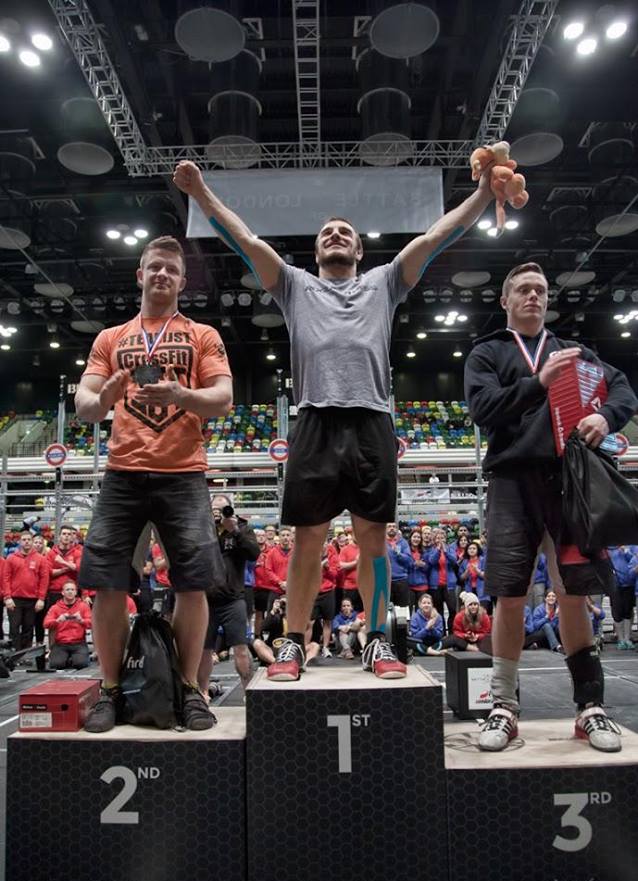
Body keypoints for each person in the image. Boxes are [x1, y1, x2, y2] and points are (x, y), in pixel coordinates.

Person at [174, 157, 495, 682]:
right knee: (308, 540)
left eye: (345, 232)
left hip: (372, 419)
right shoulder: (294, 285)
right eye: (327, 233)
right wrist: (201, 192)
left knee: (374, 540)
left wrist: (482, 193)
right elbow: (244, 240)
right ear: (317, 251)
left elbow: (438, 236)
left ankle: (376, 639)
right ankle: (294, 642)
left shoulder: (385, 282)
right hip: (315, 420)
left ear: (360, 250)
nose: (336, 235)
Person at [465, 260, 638, 752]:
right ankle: (503, 706)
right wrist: (538, 383)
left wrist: (606, 418)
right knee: (510, 595)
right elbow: (482, 409)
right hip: (512, 482)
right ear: (505, 300)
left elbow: (623, 389)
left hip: (570, 482)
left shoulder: (573, 352)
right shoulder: (487, 352)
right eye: (524, 289)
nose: (534, 297)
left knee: (573, 593)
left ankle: (590, 708)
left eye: (540, 290)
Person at [75, 234, 232, 732]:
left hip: (184, 473)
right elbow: (84, 407)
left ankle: (189, 690)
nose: (162, 274)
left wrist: (181, 395)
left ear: (183, 282)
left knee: (193, 584)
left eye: (171, 269)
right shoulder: (110, 338)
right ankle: (110, 689)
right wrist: (105, 398)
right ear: (140, 275)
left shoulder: (202, 334)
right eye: (155, 267)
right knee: (107, 584)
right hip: (122, 473)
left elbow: (223, 397)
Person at [198, 494, 260, 693]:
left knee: (240, 648)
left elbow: (254, 553)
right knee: (204, 650)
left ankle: (248, 692)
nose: (218, 514)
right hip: (206, 599)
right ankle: (203, 693)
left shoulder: (242, 528)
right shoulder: (203, 529)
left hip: (233, 599)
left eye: (222, 509)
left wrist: (234, 531)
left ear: (230, 510)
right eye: (214, 510)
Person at [3, 531, 49, 650]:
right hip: (14, 599)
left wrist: (41, 599)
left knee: (28, 628)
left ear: (32, 541)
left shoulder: (41, 559)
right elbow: (5, 578)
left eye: (29, 539)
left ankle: (25, 653)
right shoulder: (11, 558)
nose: (27, 542)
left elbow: (44, 580)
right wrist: (7, 597)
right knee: (14, 627)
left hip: (32, 599)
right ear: (19, 542)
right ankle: (15, 652)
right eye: (24, 540)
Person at [44, 580, 92, 670]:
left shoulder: (83, 606)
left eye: (72, 590)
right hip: (61, 643)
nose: (70, 592)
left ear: (76, 592)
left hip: (78, 643)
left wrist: (81, 620)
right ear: (62, 592)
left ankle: (73, 658)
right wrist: (57, 620)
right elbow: (46, 624)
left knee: (81, 664)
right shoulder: (55, 607)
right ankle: (66, 658)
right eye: (67, 590)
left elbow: (91, 623)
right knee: (56, 665)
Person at [425, 529, 459, 631]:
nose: (440, 540)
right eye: (438, 538)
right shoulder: (431, 550)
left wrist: (445, 552)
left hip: (449, 585)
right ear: (434, 540)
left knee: (452, 609)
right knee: (438, 610)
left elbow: (454, 561)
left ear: (445, 539)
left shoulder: (450, 549)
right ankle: (442, 632)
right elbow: (432, 561)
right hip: (435, 585)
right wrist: (438, 550)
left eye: (442, 538)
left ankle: (452, 632)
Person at [386, 521, 412, 608]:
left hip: (401, 580)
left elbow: (408, 560)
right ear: (385, 529)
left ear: (397, 529)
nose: (392, 528)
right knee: (386, 610)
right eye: (389, 526)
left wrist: (399, 554)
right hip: (386, 581)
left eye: (394, 526)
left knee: (402, 609)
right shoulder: (381, 543)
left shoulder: (403, 543)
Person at [407, 528, 429, 611]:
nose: (416, 539)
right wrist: (413, 564)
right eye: (414, 537)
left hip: (422, 585)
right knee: (408, 610)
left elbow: (428, 568)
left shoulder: (424, 552)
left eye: (418, 537)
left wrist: (423, 565)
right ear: (410, 538)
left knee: (420, 610)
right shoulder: (406, 551)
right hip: (409, 585)